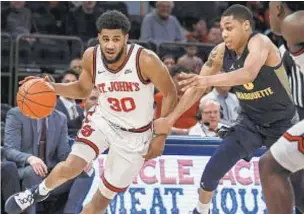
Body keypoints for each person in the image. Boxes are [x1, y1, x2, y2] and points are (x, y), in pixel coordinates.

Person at [5, 10, 177, 214]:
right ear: (99, 37)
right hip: (102, 120)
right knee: (72, 165)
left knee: (100, 201)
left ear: (126, 38)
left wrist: (161, 134)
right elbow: (83, 89)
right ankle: (37, 192)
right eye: (105, 39)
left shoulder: (145, 60)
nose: (110, 45)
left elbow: (170, 93)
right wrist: (52, 88)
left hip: (135, 135)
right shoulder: (91, 56)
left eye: (116, 39)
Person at [152, 4, 298, 214]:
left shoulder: (260, 43)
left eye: (229, 28)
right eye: (222, 29)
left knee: (298, 190)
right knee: (212, 170)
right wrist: (171, 118)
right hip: (251, 124)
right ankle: (201, 211)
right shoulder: (220, 52)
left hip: (283, 123)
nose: (224, 33)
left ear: (246, 26)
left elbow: (247, 74)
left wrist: (205, 79)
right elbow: (196, 88)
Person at [258, 2, 304, 214]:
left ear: (277, 8)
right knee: (281, 165)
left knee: (273, 167)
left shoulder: (293, 25)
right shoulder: (283, 47)